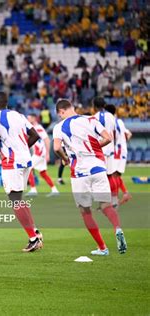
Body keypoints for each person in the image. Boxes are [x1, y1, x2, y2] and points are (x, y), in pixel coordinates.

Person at [53, 99, 127, 255]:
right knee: (106, 205)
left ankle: (102, 248)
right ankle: (118, 228)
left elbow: (57, 147)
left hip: (79, 172)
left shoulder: (59, 127)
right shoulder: (90, 119)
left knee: (85, 211)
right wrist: (94, 149)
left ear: (61, 111)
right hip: (99, 168)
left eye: (59, 114)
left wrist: (65, 159)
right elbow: (108, 137)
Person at [0, 91, 43, 252]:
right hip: (26, 160)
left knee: (15, 201)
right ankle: (36, 232)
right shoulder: (19, 115)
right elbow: (34, 135)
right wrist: (22, 148)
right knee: (19, 198)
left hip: (12, 163)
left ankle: (33, 239)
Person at [92, 97, 118, 208]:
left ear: (94, 106)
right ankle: (115, 201)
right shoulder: (111, 116)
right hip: (110, 150)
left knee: (99, 178)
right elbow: (114, 133)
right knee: (110, 176)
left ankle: (103, 203)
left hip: (100, 150)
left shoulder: (93, 118)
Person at [25, 114, 59, 197]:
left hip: (40, 153)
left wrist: (47, 153)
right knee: (43, 173)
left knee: (28, 168)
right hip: (40, 153)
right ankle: (54, 190)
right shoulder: (35, 128)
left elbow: (47, 140)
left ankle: (33, 190)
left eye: (29, 118)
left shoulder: (38, 128)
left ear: (34, 118)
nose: (27, 120)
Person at [105, 104, 132, 205]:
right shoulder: (120, 121)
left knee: (112, 175)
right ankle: (125, 193)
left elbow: (113, 136)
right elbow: (129, 134)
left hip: (116, 151)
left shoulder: (111, 122)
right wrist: (123, 142)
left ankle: (114, 201)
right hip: (122, 150)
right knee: (116, 175)